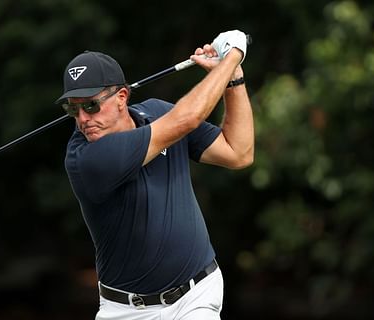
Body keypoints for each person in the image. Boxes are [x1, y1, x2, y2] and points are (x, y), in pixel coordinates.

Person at [55, 30, 254, 320]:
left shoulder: (157, 112)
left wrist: (233, 76)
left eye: (91, 105)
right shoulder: (86, 158)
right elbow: (186, 119)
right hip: (126, 311)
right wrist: (234, 53)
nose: (83, 119)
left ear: (121, 96)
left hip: (196, 295)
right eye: (72, 110)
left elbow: (238, 152)